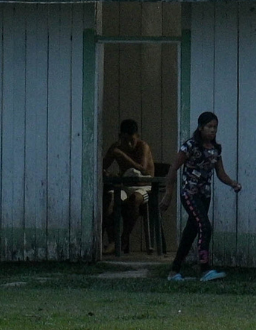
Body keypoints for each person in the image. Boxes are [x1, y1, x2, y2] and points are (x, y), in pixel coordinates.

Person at [166, 111, 241, 282]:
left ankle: (174, 271)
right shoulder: (190, 146)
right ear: (200, 128)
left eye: (215, 127)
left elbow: (221, 173)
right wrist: (168, 194)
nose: (212, 131)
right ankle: (205, 269)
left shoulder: (215, 150)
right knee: (205, 226)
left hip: (204, 196)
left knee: (190, 232)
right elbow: (173, 168)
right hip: (189, 194)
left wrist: (232, 183)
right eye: (209, 127)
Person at [102, 119, 155, 255]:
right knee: (109, 197)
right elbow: (102, 166)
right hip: (124, 186)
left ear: (137, 136)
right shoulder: (116, 147)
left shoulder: (143, 147)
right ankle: (113, 240)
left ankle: (124, 238)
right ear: (120, 137)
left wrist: (121, 155)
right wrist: (107, 173)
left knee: (134, 199)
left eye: (132, 140)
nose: (129, 144)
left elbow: (142, 169)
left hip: (142, 187)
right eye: (125, 140)